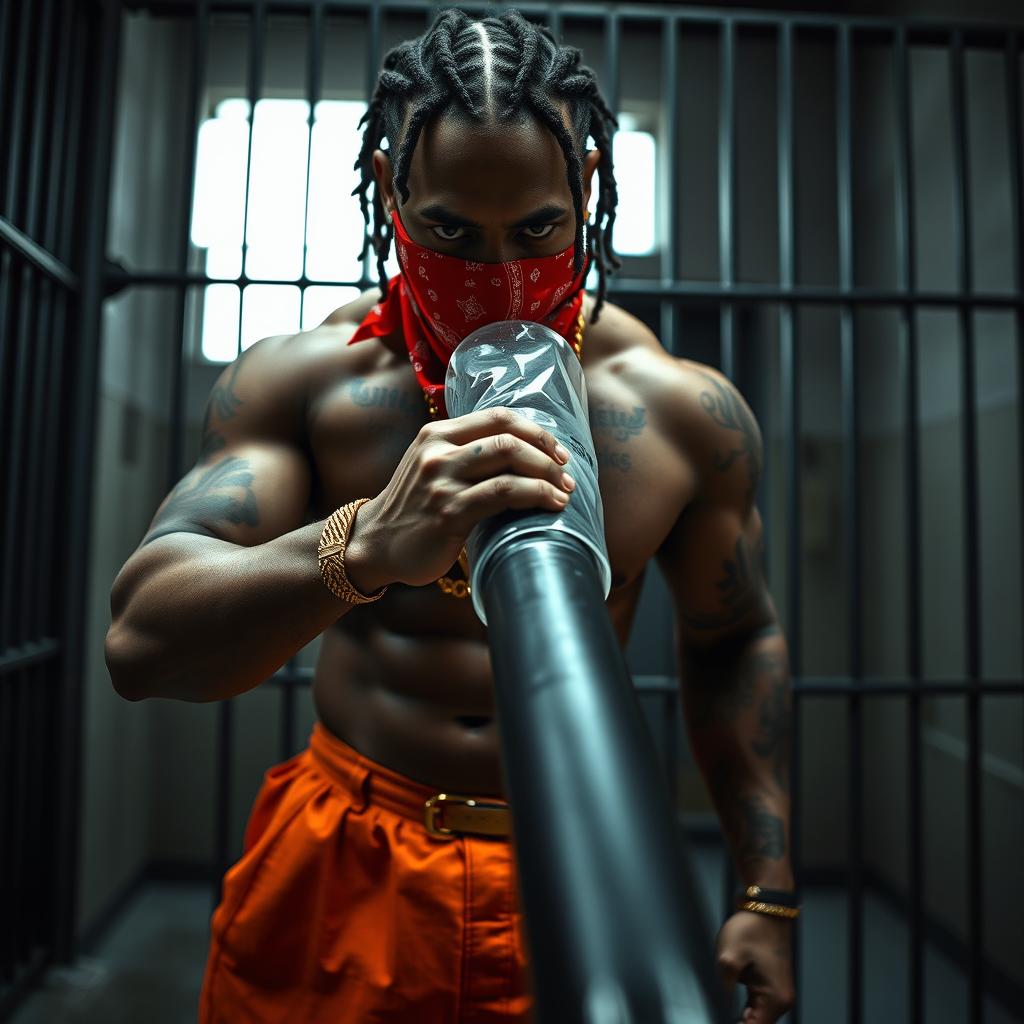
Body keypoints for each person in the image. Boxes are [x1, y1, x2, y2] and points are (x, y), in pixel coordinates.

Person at [104, 7, 797, 1023]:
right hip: (347, 858)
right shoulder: (309, 385)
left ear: (589, 187)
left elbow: (735, 637)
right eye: (449, 233)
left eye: (536, 230)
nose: (499, 275)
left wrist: (765, 888)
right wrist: (363, 546)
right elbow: (139, 641)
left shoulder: (682, 414)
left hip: (583, 862)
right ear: (389, 192)